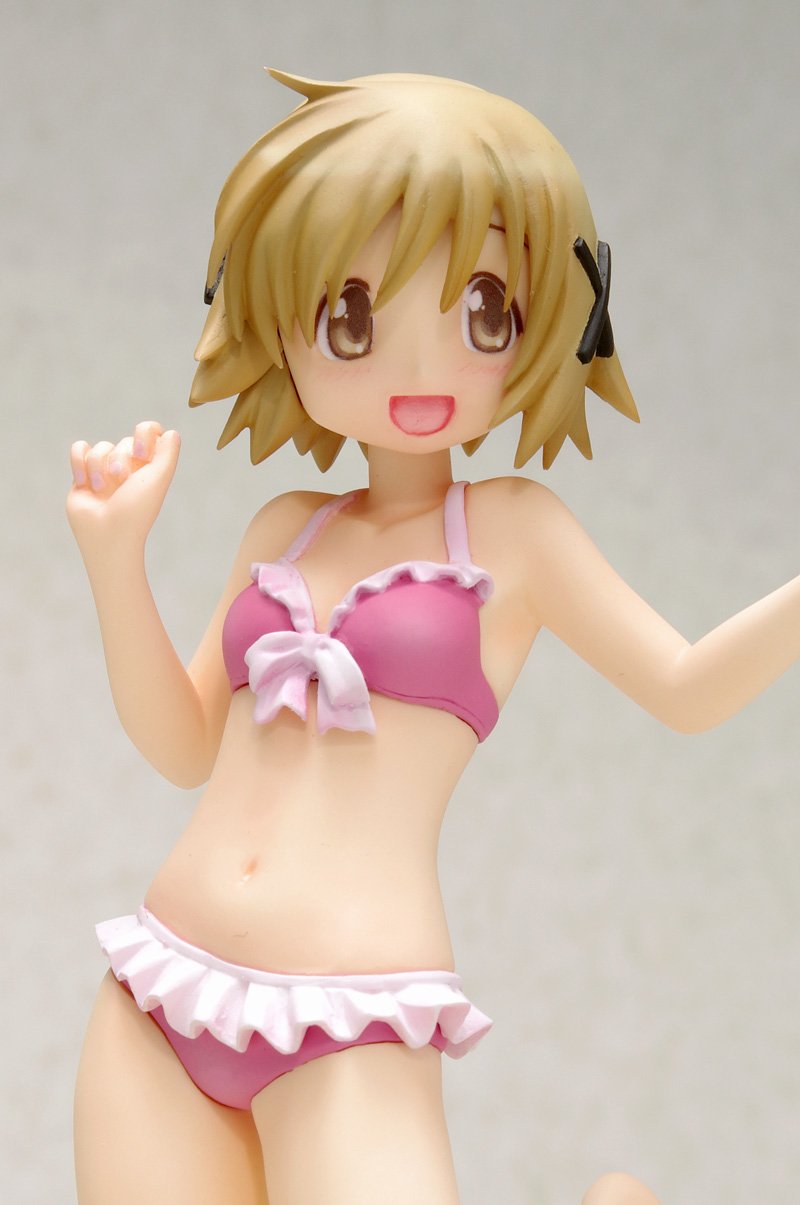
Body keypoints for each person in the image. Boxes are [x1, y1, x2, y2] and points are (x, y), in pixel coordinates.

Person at [67, 70, 798, 1204]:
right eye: (352, 317)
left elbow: (688, 685)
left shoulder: (514, 532)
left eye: (482, 311)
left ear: (551, 316)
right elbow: (183, 744)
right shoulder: (286, 524)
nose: (419, 370)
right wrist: (115, 563)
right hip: (163, 988)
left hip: (351, 1014)